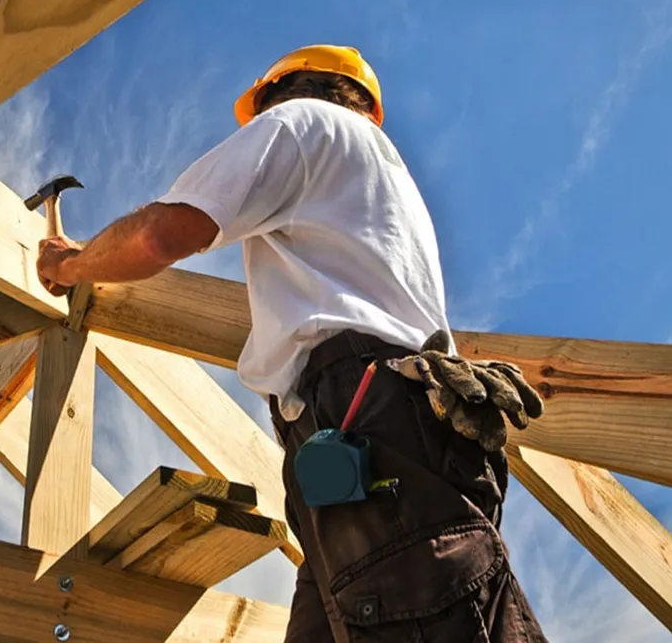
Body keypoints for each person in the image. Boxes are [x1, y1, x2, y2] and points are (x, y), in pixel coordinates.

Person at [35, 44, 547, 642]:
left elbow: (159, 234)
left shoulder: (303, 122)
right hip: (376, 441)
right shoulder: (381, 181)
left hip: (365, 421)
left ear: (281, 93)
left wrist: (71, 264)